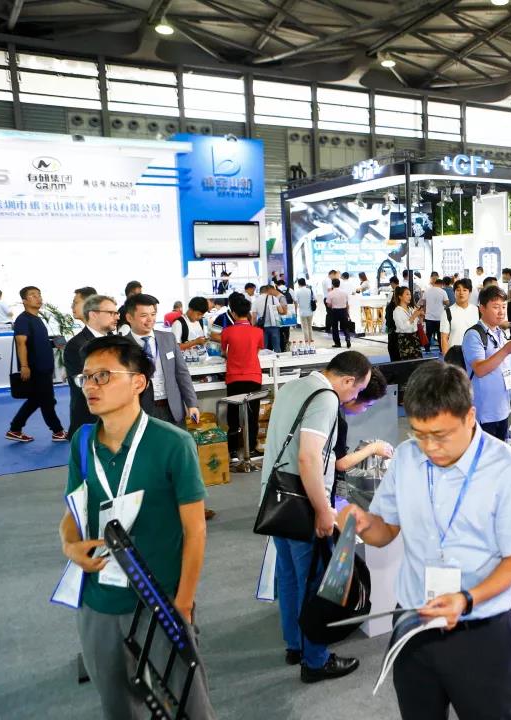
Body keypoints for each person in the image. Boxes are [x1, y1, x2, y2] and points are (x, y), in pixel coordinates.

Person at [338, 362, 511, 720]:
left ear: (470, 417)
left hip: (480, 629)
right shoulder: (407, 458)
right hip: (413, 622)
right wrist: (362, 524)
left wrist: (466, 599)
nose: (429, 447)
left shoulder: (507, 469)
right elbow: (385, 531)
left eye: (440, 435)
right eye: (419, 433)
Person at [59, 334, 213, 719]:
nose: (90, 386)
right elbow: (74, 511)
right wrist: (69, 544)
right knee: (117, 706)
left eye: (103, 376)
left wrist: (183, 604)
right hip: (98, 602)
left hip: (159, 600)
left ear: (138, 382)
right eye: (86, 377)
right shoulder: (82, 443)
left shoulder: (173, 443)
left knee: (186, 705)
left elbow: (195, 530)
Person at [261, 350, 372, 683]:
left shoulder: (294, 386)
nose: (355, 397)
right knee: (315, 582)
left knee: (289, 576)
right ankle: (315, 660)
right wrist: (323, 510)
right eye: (358, 390)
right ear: (348, 380)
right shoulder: (325, 399)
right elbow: (309, 458)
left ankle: (295, 645)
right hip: (305, 504)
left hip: (277, 499)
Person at [125, 294, 199, 428]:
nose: (150, 320)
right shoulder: (122, 346)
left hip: (173, 409)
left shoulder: (168, 338)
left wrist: (192, 404)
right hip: (140, 411)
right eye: (144, 315)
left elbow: (182, 373)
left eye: (153, 314)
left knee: (177, 441)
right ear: (129, 317)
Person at [462, 285, 511, 440]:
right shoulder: (474, 335)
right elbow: (479, 369)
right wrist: (505, 350)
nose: (501, 311)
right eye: (496, 307)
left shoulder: (500, 333)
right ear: (482, 308)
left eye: (504, 306)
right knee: (484, 452)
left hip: (502, 408)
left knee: (500, 450)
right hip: (484, 412)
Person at [7, 286, 67, 443]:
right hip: (36, 368)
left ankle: (15, 429)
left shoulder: (37, 319)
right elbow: (21, 343)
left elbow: (38, 342)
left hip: (44, 367)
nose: (38, 298)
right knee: (47, 401)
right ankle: (57, 431)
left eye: (39, 294)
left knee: (36, 399)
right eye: (33, 295)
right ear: (24, 301)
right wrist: (24, 366)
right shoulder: (23, 320)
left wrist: (55, 343)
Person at [64, 294, 118, 436]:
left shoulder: (115, 341)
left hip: (115, 418)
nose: (117, 317)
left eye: (116, 313)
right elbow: (86, 384)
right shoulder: (76, 345)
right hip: (90, 420)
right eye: (111, 313)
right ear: (93, 314)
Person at [220, 292, 263, 459]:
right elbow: (257, 350)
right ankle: (251, 448)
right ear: (248, 312)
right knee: (252, 415)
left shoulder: (227, 332)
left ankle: (232, 451)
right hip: (253, 377)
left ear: (233, 313)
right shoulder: (258, 332)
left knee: (233, 415)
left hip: (234, 378)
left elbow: (224, 352)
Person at [333, 369, 393, 480]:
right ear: (355, 395)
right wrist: (373, 448)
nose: (364, 410)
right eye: (367, 406)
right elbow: (341, 464)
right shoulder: (339, 423)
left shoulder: (330, 406)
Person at [439, 278, 480, 356]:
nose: (461, 293)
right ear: (454, 292)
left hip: (475, 354)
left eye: (465, 290)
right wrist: (447, 358)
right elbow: (444, 338)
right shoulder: (447, 312)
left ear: (470, 292)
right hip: (455, 355)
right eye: (458, 290)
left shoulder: (477, 311)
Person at [392, 286, 425, 360]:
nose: (410, 296)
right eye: (407, 294)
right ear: (400, 297)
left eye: (410, 294)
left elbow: (417, 324)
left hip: (415, 337)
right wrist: (413, 316)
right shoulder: (397, 311)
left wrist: (420, 316)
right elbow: (402, 327)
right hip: (405, 339)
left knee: (419, 361)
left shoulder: (411, 309)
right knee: (408, 362)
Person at [423, 272, 448, 352]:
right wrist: (442, 302)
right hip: (439, 317)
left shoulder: (427, 291)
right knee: (440, 334)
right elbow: (447, 302)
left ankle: (427, 349)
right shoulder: (443, 291)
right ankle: (441, 349)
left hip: (429, 316)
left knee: (428, 334)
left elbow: (424, 303)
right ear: (441, 284)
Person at [325, 278, 351, 349]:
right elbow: (347, 303)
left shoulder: (330, 293)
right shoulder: (344, 292)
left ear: (332, 285)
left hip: (335, 311)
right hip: (344, 310)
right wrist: (347, 312)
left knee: (335, 328)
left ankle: (337, 343)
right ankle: (348, 339)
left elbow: (328, 304)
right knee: (345, 326)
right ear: (339, 284)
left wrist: (333, 305)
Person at [295, 278, 315, 344]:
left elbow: (296, 302)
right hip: (310, 311)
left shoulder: (298, 291)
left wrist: (295, 311)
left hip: (302, 312)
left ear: (298, 284)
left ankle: (306, 341)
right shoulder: (310, 290)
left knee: (304, 327)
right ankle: (311, 340)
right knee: (309, 326)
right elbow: (315, 299)